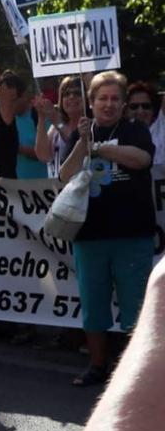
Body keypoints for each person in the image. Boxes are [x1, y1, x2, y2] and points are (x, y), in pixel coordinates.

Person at [59, 70, 155, 387]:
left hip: (132, 236)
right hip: (90, 236)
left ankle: (135, 375)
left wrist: (100, 149)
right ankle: (98, 366)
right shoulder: (81, 134)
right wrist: (84, 141)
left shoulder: (134, 129)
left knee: (136, 309)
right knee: (93, 305)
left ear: (124, 103)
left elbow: (141, 159)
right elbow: (64, 175)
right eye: (103, 98)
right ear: (92, 102)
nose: (109, 104)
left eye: (115, 98)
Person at [66, 257, 165, 431]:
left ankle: (117, 370)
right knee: (93, 309)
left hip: (130, 239)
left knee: (138, 309)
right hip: (91, 240)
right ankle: (99, 366)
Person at [34, 76, 85, 179]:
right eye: (66, 94)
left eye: (77, 93)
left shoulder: (91, 124)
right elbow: (43, 156)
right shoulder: (54, 128)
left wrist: (57, 122)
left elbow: (77, 144)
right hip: (60, 189)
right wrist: (41, 117)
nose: (71, 97)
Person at [125, 81, 165, 165]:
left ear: (153, 109)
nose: (140, 111)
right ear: (125, 110)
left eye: (146, 106)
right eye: (134, 107)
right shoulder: (117, 133)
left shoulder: (162, 126)